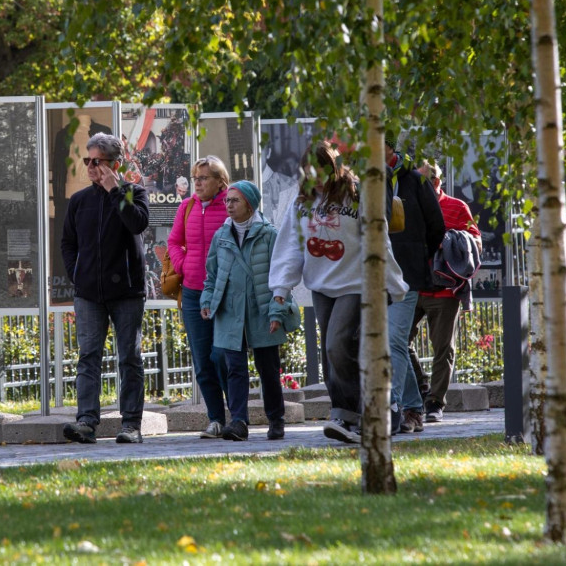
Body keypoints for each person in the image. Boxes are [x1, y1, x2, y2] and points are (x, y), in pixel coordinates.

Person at [270, 140, 408, 444]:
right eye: (308, 173)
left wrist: (392, 282)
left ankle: (361, 413)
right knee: (333, 354)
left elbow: (378, 239)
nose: (315, 180)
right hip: (321, 286)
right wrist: (281, 287)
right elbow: (292, 245)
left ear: (333, 168)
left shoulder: (356, 194)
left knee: (336, 344)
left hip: (356, 284)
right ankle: (363, 411)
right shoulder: (301, 202)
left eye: (320, 172)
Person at [60, 132, 150, 444]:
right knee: (88, 357)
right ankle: (86, 422)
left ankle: (131, 425)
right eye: (87, 161)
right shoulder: (79, 201)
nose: (91, 167)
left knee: (129, 357)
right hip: (88, 294)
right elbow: (68, 244)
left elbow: (137, 224)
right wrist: (77, 274)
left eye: (97, 161)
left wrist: (115, 190)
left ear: (114, 164)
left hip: (126, 292)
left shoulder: (134, 194)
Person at [200, 181, 294, 441]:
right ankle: (239, 422)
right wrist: (207, 300)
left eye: (235, 200)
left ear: (250, 205)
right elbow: (212, 275)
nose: (228, 205)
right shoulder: (221, 236)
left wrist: (277, 312)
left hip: (261, 309)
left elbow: (281, 277)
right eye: (227, 200)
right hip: (230, 312)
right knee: (234, 369)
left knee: (268, 368)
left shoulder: (269, 234)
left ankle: (276, 419)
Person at [410, 161, 482, 423]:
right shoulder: (409, 205)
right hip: (413, 287)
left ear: (437, 182)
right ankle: (422, 385)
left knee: (443, 348)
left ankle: (435, 402)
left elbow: (475, 241)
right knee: (398, 340)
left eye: (426, 182)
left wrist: (453, 241)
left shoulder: (456, 206)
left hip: (444, 291)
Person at [166, 156, 231, 438]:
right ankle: (216, 419)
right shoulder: (187, 206)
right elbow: (173, 242)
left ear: (220, 181)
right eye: (196, 178)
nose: (199, 183)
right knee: (203, 360)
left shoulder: (231, 205)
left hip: (225, 292)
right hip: (193, 293)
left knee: (224, 356)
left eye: (204, 178)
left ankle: (237, 415)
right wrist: (185, 265)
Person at [385, 134, 446, 434]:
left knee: (395, 340)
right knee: (390, 341)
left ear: (387, 146)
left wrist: (417, 253)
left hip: (407, 274)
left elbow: (437, 226)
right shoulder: (364, 180)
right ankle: (412, 407)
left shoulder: (415, 181)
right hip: (373, 274)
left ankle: (393, 408)